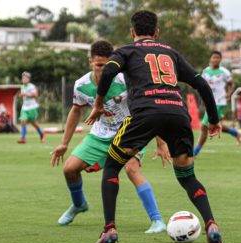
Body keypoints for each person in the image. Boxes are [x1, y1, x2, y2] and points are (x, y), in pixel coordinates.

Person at [85, 11, 224, 243]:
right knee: (187, 176)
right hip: (178, 115)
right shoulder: (171, 53)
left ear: (132, 32)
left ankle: (109, 229)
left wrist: (98, 104)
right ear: (157, 32)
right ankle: (211, 224)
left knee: (111, 166)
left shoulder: (127, 51)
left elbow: (108, 71)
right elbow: (201, 83)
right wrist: (213, 119)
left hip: (145, 114)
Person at [50, 40, 170, 233]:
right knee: (69, 169)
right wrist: (64, 143)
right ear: (90, 62)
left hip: (130, 132)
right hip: (100, 135)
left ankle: (157, 221)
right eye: (99, 65)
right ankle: (79, 204)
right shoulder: (81, 85)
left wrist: (161, 142)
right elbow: (75, 111)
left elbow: (148, 107)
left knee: (131, 169)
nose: (104, 70)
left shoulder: (125, 80)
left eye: (108, 65)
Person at [193, 51, 241, 157]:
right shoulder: (205, 71)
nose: (216, 59)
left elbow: (231, 84)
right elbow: (202, 86)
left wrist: (229, 93)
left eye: (218, 58)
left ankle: (194, 153)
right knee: (215, 125)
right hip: (209, 101)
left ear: (220, 59)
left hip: (219, 102)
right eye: (214, 57)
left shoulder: (224, 72)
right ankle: (236, 133)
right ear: (210, 59)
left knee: (204, 126)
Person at [17, 71, 45, 143]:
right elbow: (22, 95)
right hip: (24, 108)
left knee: (34, 123)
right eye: (23, 78)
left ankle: (42, 134)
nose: (24, 79)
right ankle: (23, 138)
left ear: (28, 79)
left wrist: (26, 94)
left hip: (32, 107)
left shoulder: (31, 86)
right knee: (23, 121)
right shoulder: (22, 86)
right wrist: (21, 95)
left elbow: (36, 95)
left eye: (25, 78)